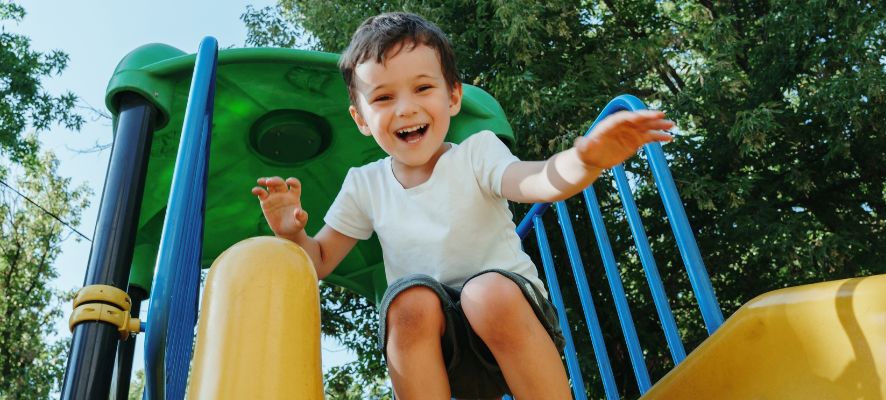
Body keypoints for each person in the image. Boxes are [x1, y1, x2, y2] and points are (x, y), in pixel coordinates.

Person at [250, 11, 673, 400]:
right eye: (382, 98)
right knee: (408, 302)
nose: (406, 108)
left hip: (512, 321)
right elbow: (319, 261)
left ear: (452, 97)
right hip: (437, 348)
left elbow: (538, 180)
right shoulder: (365, 184)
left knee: (485, 292)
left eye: (422, 87)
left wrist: (583, 159)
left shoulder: (476, 154)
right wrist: (292, 234)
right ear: (360, 119)